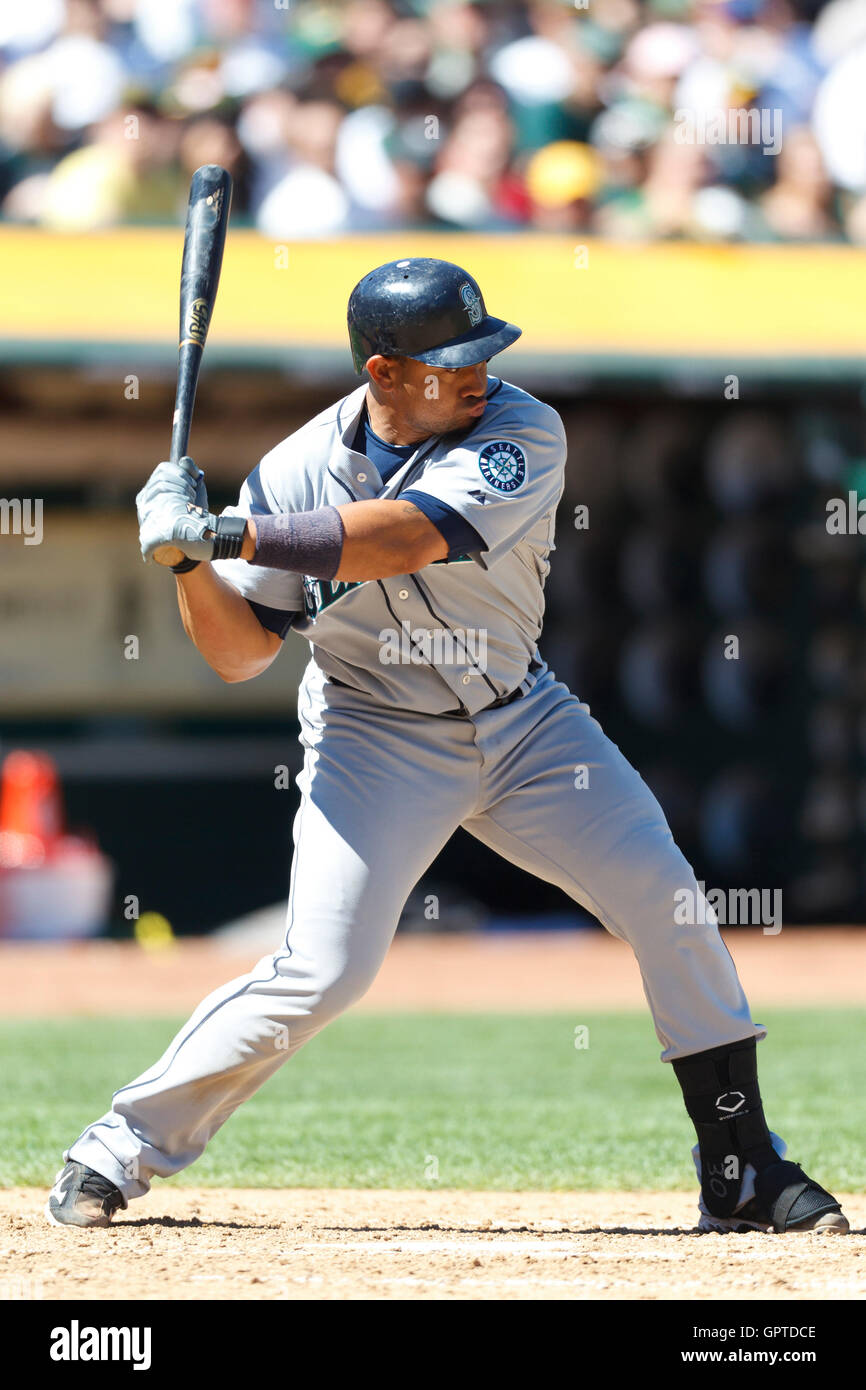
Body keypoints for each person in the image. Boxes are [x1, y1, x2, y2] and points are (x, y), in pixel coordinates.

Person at [47, 257, 847, 1235]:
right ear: (383, 373)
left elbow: (403, 535)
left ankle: (740, 1166)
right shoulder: (295, 467)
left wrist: (223, 530)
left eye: (483, 350)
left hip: (525, 719)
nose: (478, 372)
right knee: (324, 968)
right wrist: (183, 565)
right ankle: (117, 1147)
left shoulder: (521, 429)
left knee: (665, 899)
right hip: (373, 731)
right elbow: (235, 654)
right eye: (449, 360)